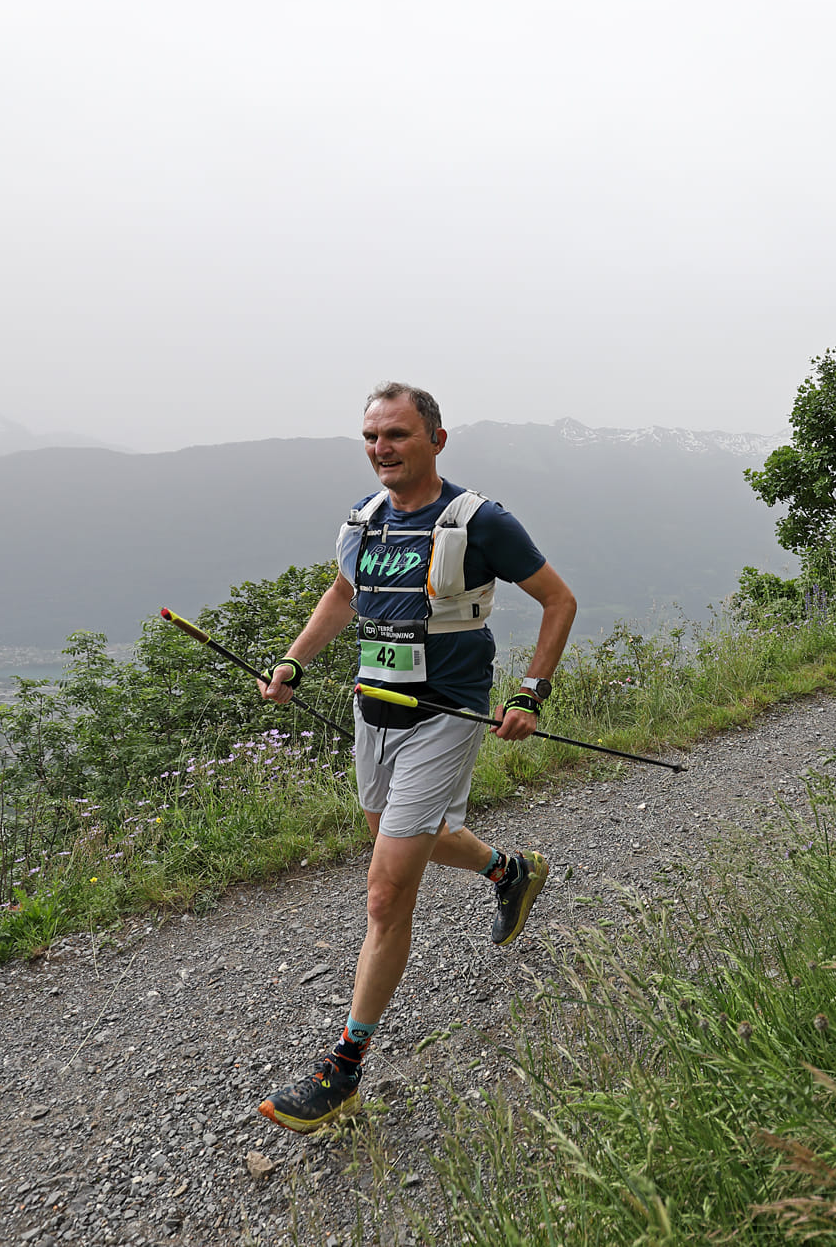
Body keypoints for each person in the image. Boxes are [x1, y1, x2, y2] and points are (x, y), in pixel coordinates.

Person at [252, 382, 577, 1133]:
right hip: (374, 713)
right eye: (370, 436)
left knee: (384, 891)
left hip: (445, 717)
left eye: (396, 434)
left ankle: (344, 1069)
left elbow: (557, 600)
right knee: (413, 841)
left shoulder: (479, 520)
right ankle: (511, 870)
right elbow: (343, 593)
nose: (380, 449)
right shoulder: (362, 521)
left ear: (435, 438)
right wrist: (295, 661)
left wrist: (531, 692)